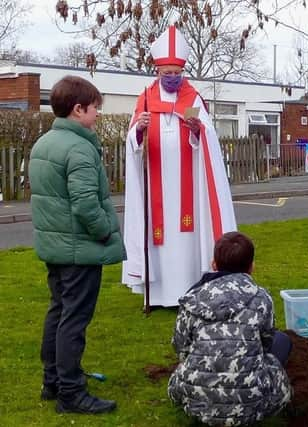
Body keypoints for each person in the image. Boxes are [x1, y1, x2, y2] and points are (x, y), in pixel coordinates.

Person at [29, 76, 126, 414]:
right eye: (95, 108)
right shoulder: (79, 148)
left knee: (58, 312)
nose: (98, 114)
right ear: (78, 109)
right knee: (73, 319)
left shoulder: (43, 143)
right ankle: (71, 392)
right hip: (78, 250)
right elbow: (85, 203)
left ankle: (52, 382)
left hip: (55, 247)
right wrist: (103, 232)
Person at [122, 25, 237, 307]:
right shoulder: (146, 98)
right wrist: (139, 129)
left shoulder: (192, 98)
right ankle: (159, 296)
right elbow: (132, 141)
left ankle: (188, 291)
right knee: (158, 236)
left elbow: (207, 138)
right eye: (167, 74)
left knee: (187, 237)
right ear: (157, 72)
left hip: (188, 188)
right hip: (157, 182)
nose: (172, 79)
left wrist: (198, 130)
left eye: (177, 74)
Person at [168, 231, 292, 426]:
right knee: (283, 341)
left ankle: (205, 396)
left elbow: (180, 347)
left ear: (214, 264)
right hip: (252, 404)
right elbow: (266, 342)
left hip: (196, 399)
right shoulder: (262, 298)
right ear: (251, 267)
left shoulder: (192, 298)